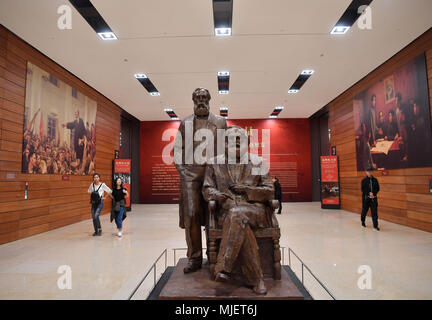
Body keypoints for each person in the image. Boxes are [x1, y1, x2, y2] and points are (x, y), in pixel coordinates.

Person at [202, 126, 274, 295]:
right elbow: (207, 189)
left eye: (239, 138)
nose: (235, 141)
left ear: (247, 142)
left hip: (255, 211)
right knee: (239, 220)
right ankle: (257, 279)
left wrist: (246, 190)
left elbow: (269, 190)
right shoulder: (214, 163)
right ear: (225, 144)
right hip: (226, 213)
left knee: (238, 214)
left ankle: (223, 267)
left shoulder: (258, 162)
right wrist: (219, 196)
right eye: (231, 139)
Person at [174, 88, 227, 274]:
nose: (201, 100)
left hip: (214, 174)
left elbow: (225, 149)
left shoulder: (220, 122)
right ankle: (194, 258)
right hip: (191, 175)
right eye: (198, 98)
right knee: (192, 214)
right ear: (193, 99)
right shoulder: (185, 123)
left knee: (215, 214)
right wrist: (182, 171)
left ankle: (215, 255)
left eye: (205, 97)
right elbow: (177, 150)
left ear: (210, 99)